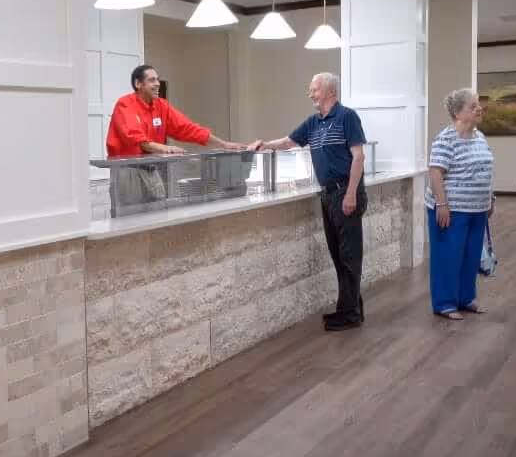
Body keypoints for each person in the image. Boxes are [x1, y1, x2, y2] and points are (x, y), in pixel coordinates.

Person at [249, 73, 367, 332]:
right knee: (338, 254)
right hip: (328, 194)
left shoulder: (347, 117)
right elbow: (289, 141)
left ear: (329, 92)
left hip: (346, 192)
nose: (310, 94)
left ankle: (348, 313)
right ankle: (351, 308)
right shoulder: (313, 123)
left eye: (314, 90)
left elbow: (358, 157)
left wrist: (350, 194)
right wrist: (264, 144)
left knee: (349, 255)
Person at [106, 64, 246, 205]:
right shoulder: (124, 104)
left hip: (151, 169)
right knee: (130, 219)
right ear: (138, 84)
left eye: (158, 80)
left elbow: (187, 128)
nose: (157, 84)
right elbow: (135, 137)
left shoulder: (161, 106)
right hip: (128, 171)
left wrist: (223, 144)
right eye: (151, 80)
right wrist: (166, 149)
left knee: (158, 212)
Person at [426, 89, 495, 320]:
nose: (479, 109)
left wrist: (489, 198)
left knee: (471, 256)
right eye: (473, 106)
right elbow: (435, 173)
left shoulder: (480, 137)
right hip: (452, 210)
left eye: (478, 104)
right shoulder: (445, 139)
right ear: (457, 112)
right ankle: (444, 303)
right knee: (449, 256)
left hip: (477, 209)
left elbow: (484, 170)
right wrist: (442, 204)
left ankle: (465, 299)